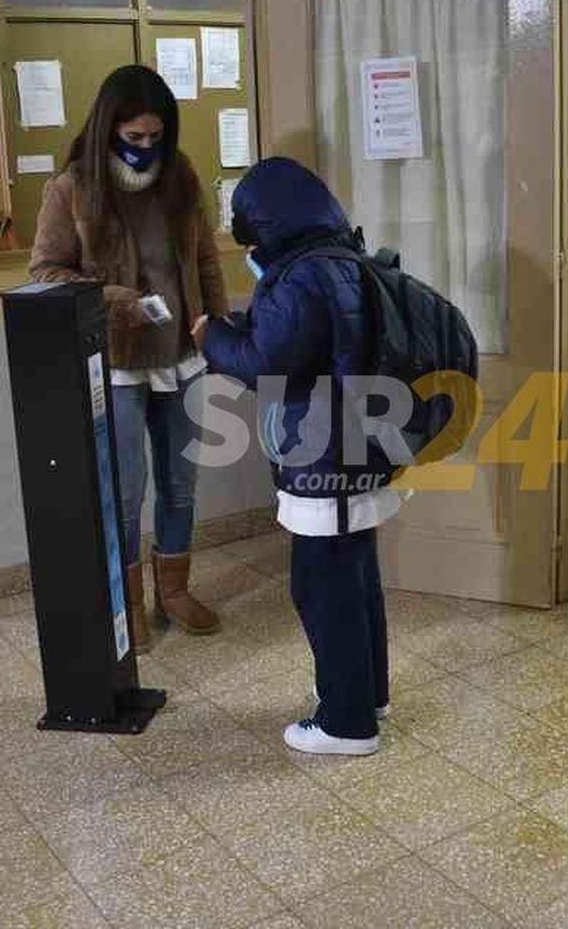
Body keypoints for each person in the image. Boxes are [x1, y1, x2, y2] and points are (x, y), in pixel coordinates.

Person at [200, 156, 400, 757]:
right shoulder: (344, 262)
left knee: (322, 587)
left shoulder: (303, 276)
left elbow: (267, 365)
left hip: (325, 458)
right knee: (356, 578)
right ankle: (368, 695)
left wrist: (209, 337)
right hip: (358, 450)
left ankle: (346, 724)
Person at [30, 65, 228, 649]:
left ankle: (174, 591)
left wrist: (214, 325)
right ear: (107, 128)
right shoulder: (71, 188)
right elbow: (45, 271)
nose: (146, 150)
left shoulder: (181, 174)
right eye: (134, 138)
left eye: (156, 138)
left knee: (181, 482)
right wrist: (115, 300)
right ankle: (129, 601)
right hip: (116, 361)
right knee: (125, 489)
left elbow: (208, 260)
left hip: (183, 355)